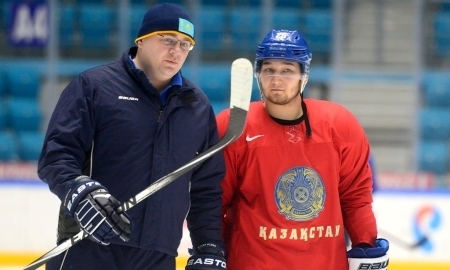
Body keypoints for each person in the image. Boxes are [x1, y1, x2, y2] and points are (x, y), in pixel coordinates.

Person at [38, 3, 226, 270]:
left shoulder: (196, 107)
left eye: (186, 44)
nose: (176, 51)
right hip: (89, 249)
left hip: (157, 257)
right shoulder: (95, 87)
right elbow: (56, 156)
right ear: (142, 40)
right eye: (168, 40)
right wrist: (79, 193)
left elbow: (206, 189)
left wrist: (208, 246)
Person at [215, 29, 389, 270]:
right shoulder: (234, 126)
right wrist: (209, 246)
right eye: (269, 70)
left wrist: (366, 244)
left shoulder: (339, 125)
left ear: (303, 76)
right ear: (258, 74)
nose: (276, 80)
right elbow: (214, 201)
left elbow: (356, 198)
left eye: (287, 70)